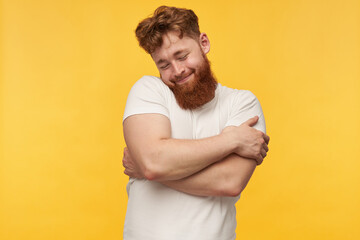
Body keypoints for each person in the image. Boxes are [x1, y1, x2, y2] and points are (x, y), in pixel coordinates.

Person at [122, 6, 270, 240]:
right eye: (164, 65)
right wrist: (231, 139)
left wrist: (151, 170)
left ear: (203, 43)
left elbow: (229, 181)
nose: (177, 70)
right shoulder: (149, 90)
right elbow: (154, 162)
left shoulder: (242, 103)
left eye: (182, 56)